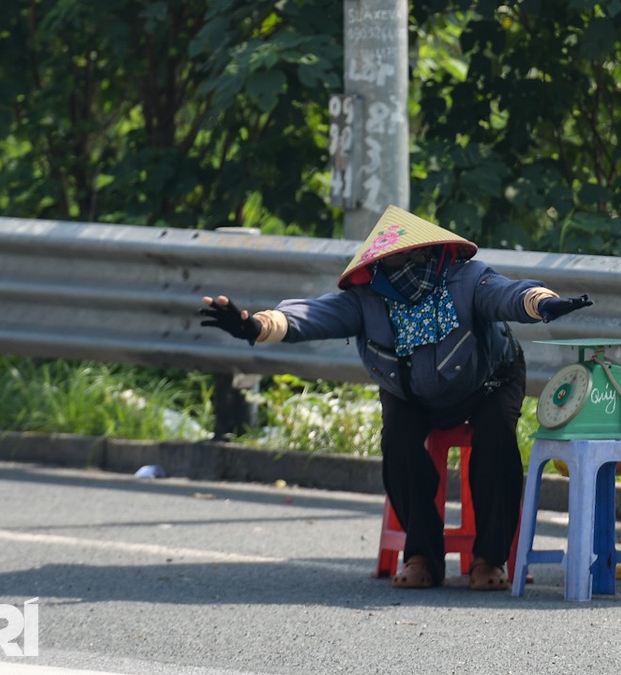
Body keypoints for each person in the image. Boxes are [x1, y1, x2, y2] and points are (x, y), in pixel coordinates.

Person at [198, 207, 590, 591]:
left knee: (496, 436)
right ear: (377, 265)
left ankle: (490, 557)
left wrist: (541, 303)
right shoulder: (365, 299)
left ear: (433, 252)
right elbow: (309, 316)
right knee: (398, 440)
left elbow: (507, 294)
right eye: (394, 259)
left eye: (414, 255)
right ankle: (422, 556)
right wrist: (256, 326)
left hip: (489, 381)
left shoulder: (467, 279)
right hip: (409, 394)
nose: (406, 266)